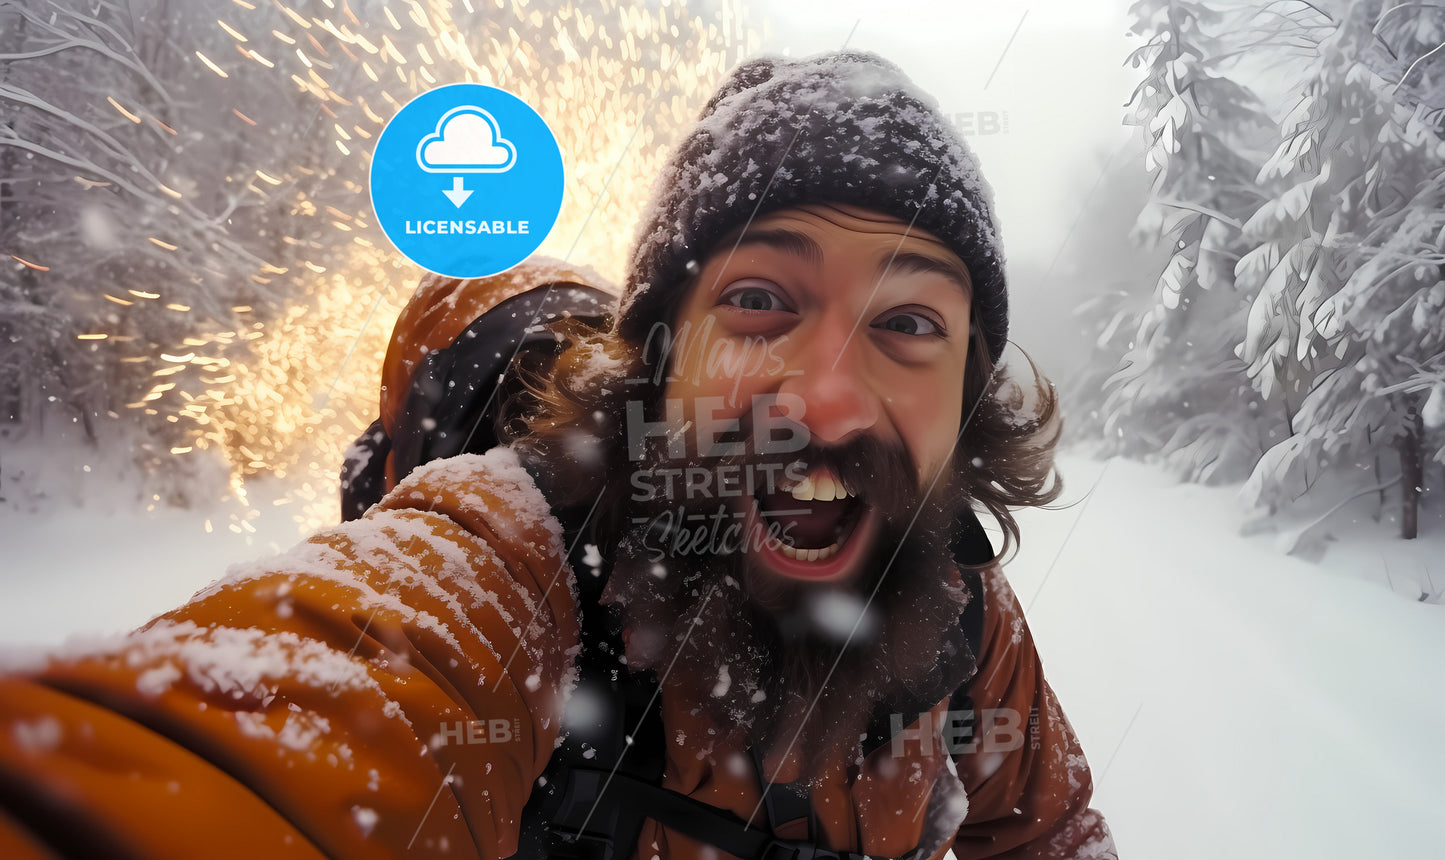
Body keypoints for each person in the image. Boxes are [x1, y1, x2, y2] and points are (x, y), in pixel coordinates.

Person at [0, 52, 1116, 859]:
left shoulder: (963, 611)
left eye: (908, 323)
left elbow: (1053, 832)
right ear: (655, 364)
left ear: (963, 405)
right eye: (759, 299)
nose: (823, 401)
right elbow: (268, 741)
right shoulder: (510, 562)